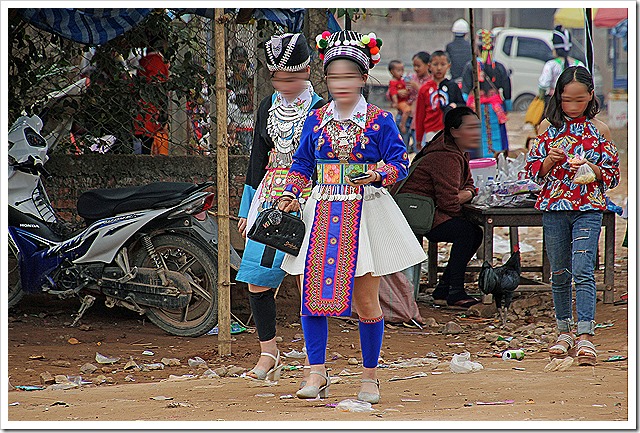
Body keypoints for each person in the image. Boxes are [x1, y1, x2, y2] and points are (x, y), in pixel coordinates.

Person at [278, 29, 427, 403]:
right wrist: (291, 194)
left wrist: (378, 174)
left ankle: (370, 377)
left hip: (365, 211)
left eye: (349, 76)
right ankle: (316, 373)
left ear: (364, 78)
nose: (340, 84)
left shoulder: (380, 121)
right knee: (310, 295)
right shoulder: (315, 120)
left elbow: (400, 163)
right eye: (333, 77)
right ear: (325, 79)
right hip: (321, 209)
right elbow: (302, 165)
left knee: (366, 300)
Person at [236, 33, 325, 383]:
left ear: (307, 70)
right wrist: (246, 209)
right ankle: (268, 351)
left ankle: (313, 362)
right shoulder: (265, 107)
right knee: (257, 280)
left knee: (307, 283)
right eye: (278, 78)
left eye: (292, 78)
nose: (284, 85)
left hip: (310, 196)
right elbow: (257, 159)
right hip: (269, 197)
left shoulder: (321, 110)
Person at [525, 66, 620, 366]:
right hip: (554, 208)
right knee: (560, 273)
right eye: (568, 100)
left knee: (583, 269)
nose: (573, 106)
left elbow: (613, 175)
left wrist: (592, 169)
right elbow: (532, 173)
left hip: (589, 209)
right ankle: (563, 330)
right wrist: (549, 162)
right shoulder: (545, 129)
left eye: (580, 100)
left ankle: (586, 335)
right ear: (558, 97)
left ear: (591, 96)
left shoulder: (599, 130)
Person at [396, 106, 482, 308]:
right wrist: (468, 194)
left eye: (477, 128)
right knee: (469, 233)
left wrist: (467, 193)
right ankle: (455, 293)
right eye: (470, 128)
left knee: (473, 232)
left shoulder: (456, 151)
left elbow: (468, 185)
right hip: (418, 214)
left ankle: (444, 289)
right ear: (454, 131)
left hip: (432, 210)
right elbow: (449, 203)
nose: (476, 133)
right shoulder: (446, 157)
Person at [461, 29, 512, 159]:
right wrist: (507, 105)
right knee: (497, 139)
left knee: (476, 137)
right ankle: (497, 160)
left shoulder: (470, 66)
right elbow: (507, 88)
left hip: (475, 108)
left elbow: (465, 91)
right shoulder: (499, 67)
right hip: (495, 108)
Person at [536, 26, 584, 131]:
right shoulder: (579, 64)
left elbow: (543, 85)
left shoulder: (551, 65)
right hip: (576, 104)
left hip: (554, 104)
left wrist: (540, 98)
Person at [414, 51, 465, 149]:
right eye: (435, 64)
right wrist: (419, 138)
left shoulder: (453, 86)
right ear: (429, 66)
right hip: (430, 132)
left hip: (450, 131)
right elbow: (420, 115)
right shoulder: (424, 89)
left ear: (448, 66)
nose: (439, 68)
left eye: (443, 64)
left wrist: (455, 106)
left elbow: (463, 106)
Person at [133, 36, 169, 155]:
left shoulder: (145, 60)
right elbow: (158, 85)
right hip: (149, 108)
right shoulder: (156, 61)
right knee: (147, 142)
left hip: (143, 107)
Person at [403, 51, 431, 153]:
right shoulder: (412, 77)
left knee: (419, 149)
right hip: (407, 117)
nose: (416, 69)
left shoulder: (430, 81)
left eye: (418, 66)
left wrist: (417, 87)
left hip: (420, 120)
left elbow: (428, 97)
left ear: (428, 65)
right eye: (414, 66)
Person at [387, 60, 412, 142]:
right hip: (400, 102)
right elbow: (393, 93)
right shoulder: (393, 82)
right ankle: (403, 124)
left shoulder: (402, 80)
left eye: (402, 70)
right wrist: (395, 102)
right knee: (407, 110)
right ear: (392, 72)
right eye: (398, 71)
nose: (401, 73)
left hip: (405, 101)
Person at [446, 18, 472, 83]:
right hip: (468, 80)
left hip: (453, 79)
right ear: (466, 33)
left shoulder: (449, 46)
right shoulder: (470, 46)